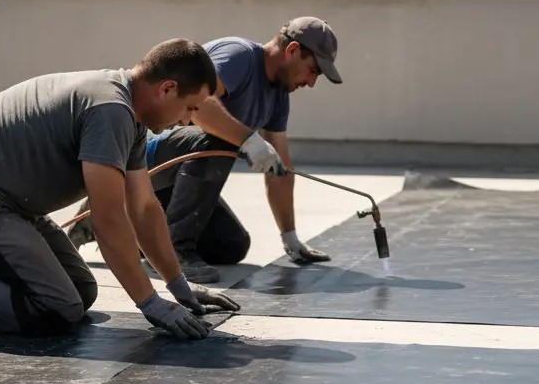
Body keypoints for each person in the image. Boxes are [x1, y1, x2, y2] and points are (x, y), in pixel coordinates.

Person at [0, 39, 241, 339]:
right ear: (167, 89)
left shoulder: (131, 115)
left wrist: (178, 287)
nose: (188, 120)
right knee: (57, 308)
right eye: (190, 108)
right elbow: (108, 220)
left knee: (81, 290)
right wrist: (151, 304)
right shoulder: (110, 110)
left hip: (1, 206)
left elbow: (144, 209)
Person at [68, 17, 343, 283]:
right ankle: (175, 248)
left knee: (232, 245)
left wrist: (290, 236)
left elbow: (280, 167)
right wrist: (248, 139)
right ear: (293, 50)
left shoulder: (278, 95)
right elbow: (200, 106)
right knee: (221, 138)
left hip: (178, 179)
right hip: (147, 160)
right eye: (313, 70)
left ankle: (128, 229)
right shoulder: (240, 56)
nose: (311, 82)